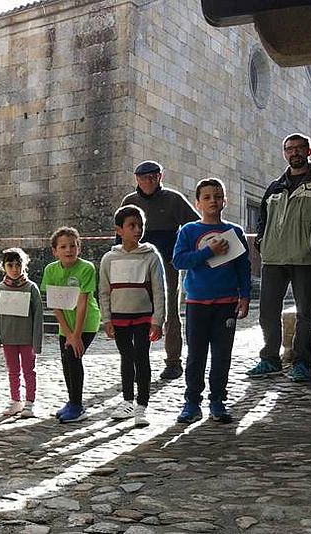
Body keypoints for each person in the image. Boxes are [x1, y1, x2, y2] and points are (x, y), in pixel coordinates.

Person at [248, 133, 311, 382]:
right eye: (289, 149)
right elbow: (263, 218)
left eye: (299, 148)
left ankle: (302, 363)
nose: (294, 152)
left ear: (309, 151)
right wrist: (262, 241)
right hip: (274, 259)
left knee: (305, 313)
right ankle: (270, 359)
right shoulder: (274, 187)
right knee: (268, 313)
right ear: (285, 154)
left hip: (307, 259)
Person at [172, 178, 251, 423]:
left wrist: (245, 295)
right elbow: (179, 261)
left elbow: (243, 266)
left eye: (217, 196)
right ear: (198, 203)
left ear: (225, 201)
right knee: (196, 354)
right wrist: (209, 252)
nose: (213, 201)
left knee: (222, 354)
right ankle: (192, 401)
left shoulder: (234, 232)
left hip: (226, 303)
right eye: (207, 197)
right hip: (197, 303)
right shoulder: (189, 231)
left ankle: (218, 400)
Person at [120, 160, 199, 380]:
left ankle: (173, 361)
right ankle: (137, 361)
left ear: (160, 177)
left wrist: (184, 253)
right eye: (143, 178)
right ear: (137, 179)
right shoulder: (130, 201)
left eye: (153, 177)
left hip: (167, 265)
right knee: (136, 312)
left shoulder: (173, 199)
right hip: (136, 264)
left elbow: (195, 227)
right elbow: (120, 232)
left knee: (170, 311)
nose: (148, 181)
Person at [99, 205, 165, 427]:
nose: (137, 230)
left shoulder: (151, 256)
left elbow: (159, 289)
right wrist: (106, 319)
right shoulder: (109, 259)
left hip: (143, 317)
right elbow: (104, 291)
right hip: (119, 318)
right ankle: (127, 401)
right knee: (126, 358)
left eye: (140, 225)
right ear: (119, 230)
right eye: (132, 226)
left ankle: (142, 405)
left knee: (142, 357)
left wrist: (158, 320)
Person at [42, 227, 102, 423]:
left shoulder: (86, 268)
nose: (68, 250)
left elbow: (83, 303)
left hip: (85, 323)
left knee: (73, 357)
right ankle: (71, 400)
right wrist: (68, 333)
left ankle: (78, 405)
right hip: (65, 323)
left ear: (79, 248)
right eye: (63, 247)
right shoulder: (51, 270)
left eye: (73, 246)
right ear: (55, 251)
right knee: (66, 360)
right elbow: (55, 304)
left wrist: (76, 335)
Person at [0, 247, 44, 418]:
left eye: (18, 265)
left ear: (24, 265)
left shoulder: (31, 288)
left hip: (27, 339)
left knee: (29, 371)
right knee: (13, 371)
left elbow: (38, 316)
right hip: (8, 338)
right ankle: (15, 400)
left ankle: (30, 402)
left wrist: (37, 342)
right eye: (10, 265)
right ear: (3, 267)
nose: (14, 269)